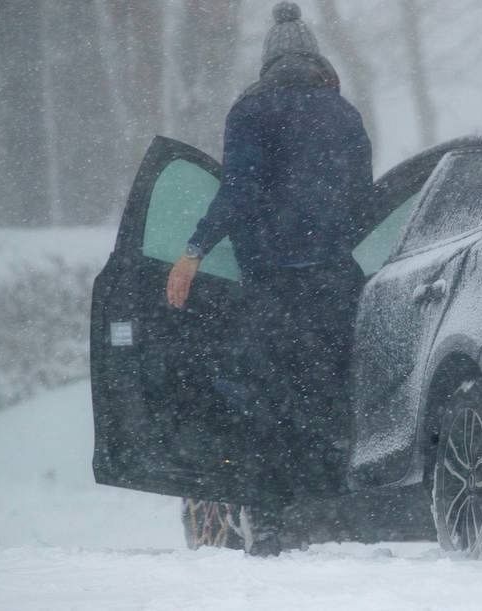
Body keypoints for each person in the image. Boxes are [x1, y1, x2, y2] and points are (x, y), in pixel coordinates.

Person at [166, 2, 374, 556]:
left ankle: (272, 519)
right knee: (333, 396)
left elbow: (237, 192)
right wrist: (328, 243)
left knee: (268, 399)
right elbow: (364, 203)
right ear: (317, 60)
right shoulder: (344, 115)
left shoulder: (252, 111)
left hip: (274, 287)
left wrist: (193, 251)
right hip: (334, 284)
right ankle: (338, 518)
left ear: (268, 61)